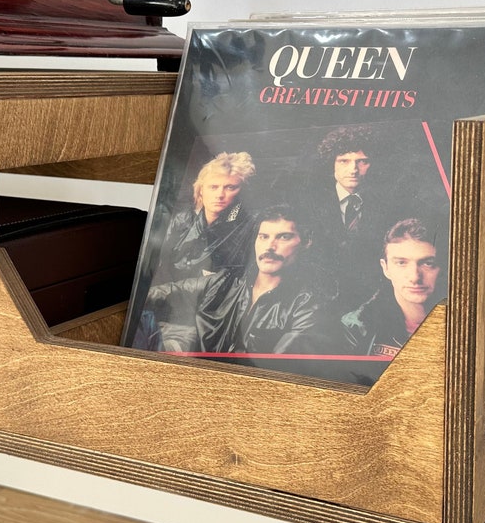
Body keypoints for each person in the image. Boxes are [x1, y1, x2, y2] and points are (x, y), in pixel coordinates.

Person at [137, 204, 332, 358]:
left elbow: (275, 368)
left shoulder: (307, 306)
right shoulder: (227, 282)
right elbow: (165, 293)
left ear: (306, 242)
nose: (270, 246)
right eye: (263, 237)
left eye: (284, 237)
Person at [305, 125, 390, 311]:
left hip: (370, 301)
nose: (353, 169)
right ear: (332, 164)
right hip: (318, 302)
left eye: (362, 161)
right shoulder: (309, 204)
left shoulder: (387, 205)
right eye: (344, 161)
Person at [341, 218, 444, 359]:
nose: (414, 277)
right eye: (401, 263)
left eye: (428, 263)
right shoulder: (357, 327)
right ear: (386, 268)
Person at [155, 151, 256, 283]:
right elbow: (160, 264)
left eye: (230, 187)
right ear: (201, 190)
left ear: (241, 192)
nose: (220, 195)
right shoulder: (182, 219)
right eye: (213, 187)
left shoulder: (246, 229)